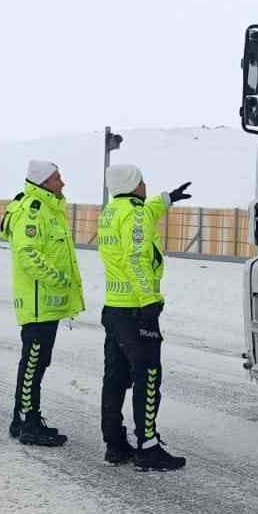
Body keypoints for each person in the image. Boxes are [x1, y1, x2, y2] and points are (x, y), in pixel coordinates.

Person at [96, 163, 192, 471]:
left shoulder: (113, 211)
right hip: (137, 310)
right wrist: (150, 303)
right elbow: (136, 257)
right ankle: (147, 447)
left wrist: (167, 198)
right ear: (133, 184)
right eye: (142, 181)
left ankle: (114, 444)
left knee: (114, 378)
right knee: (147, 377)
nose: (145, 185)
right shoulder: (134, 214)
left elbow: (146, 213)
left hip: (114, 307)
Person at [0, 159, 82, 446]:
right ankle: (26, 421)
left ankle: (24, 419)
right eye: (58, 177)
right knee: (33, 362)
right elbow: (28, 254)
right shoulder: (32, 212)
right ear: (44, 181)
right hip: (37, 303)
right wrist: (58, 278)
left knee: (38, 362)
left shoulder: (49, 208)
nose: (63, 182)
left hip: (45, 303)